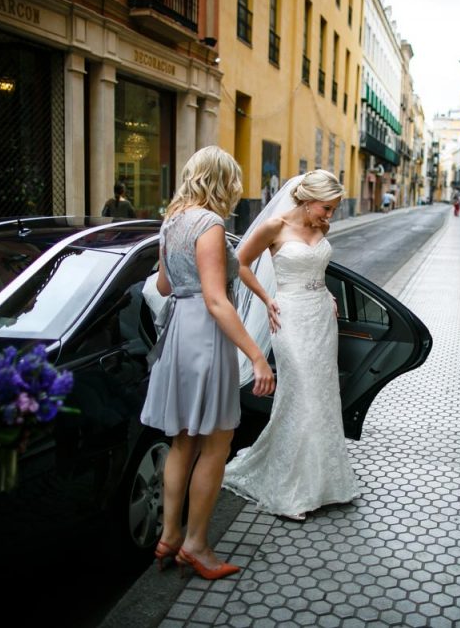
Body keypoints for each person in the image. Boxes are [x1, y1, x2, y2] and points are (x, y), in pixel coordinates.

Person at [140, 146, 275, 580]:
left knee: (183, 442)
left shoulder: (172, 220)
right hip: (206, 336)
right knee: (217, 443)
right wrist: (257, 356)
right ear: (223, 182)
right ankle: (197, 544)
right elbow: (217, 300)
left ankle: (170, 535)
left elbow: (163, 285)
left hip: (178, 331)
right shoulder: (211, 224)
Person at [223, 169, 360, 521]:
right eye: (326, 208)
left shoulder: (321, 228)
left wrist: (326, 291)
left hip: (320, 319)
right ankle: (292, 490)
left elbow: (317, 266)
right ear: (307, 199)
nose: (329, 217)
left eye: (332, 210)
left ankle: (326, 483)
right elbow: (239, 264)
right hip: (288, 317)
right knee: (300, 395)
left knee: (324, 397)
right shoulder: (275, 226)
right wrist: (267, 298)